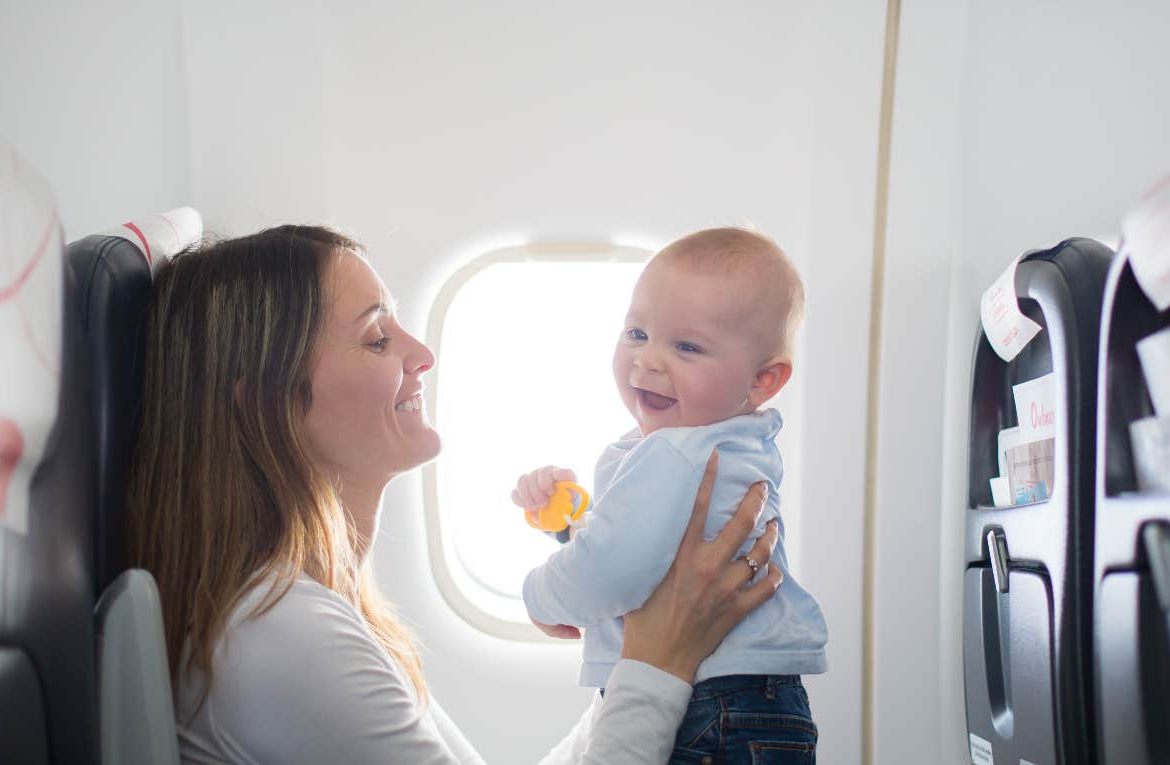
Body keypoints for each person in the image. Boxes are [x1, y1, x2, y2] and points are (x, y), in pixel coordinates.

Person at [126, 225, 783, 764]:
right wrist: (656, 660)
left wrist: (647, 646)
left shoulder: (321, 607)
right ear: (267, 403)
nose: (421, 353)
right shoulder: (279, 631)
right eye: (376, 337)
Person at [511, 228, 828, 761]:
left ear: (761, 381)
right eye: (637, 333)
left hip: (708, 705)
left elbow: (615, 569)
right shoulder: (729, 442)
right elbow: (657, 546)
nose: (648, 361)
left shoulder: (675, 453)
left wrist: (539, 597)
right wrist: (568, 524)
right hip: (755, 702)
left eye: (686, 346)